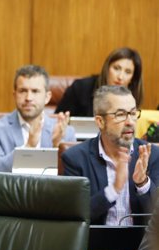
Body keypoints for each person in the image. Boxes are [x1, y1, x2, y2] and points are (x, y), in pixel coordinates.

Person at [62, 85, 159, 225]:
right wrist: (114, 189)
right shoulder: (76, 158)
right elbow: (73, 217)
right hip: (96, 245)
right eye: (120, 115)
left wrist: (142, 183)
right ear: (100, 122)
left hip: (141, 245)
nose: (130, 122)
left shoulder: (152, 155)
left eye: (132, 113)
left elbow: (156, 218)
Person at [0, 65, 76, 172]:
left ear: (47, 97)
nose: (28, 98)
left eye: (35, 91)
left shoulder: (66, 132)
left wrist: (56, 147)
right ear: (14, 95)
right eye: (22, 91)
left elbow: (72, 174)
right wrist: (28, 148)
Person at [55, 47, 143, 117]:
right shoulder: (81, 88)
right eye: (116, 68)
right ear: (107, 68)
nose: (120, 77)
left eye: (128, 72)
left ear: (133, 78)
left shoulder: (131, 97)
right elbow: (57, 120)